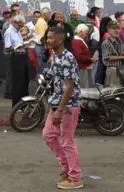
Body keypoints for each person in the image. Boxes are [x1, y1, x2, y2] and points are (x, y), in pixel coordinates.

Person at [42, 26, 83, 190]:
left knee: (67, 141)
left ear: (60, 40)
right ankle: (66, 168)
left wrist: (60, 109)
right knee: (49, 135)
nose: (47, 40)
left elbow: (69, 86)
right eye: (47, 38)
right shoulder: (54, 56)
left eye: (51, 38)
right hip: (56, 102)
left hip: (68, 105)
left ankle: (75, 177)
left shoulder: (68, 58)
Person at [72, 24, 97, 89]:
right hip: (82, 67)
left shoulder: (79, 40)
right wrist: (90, 59)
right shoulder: (77, 42)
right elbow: (79, 56)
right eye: (86, 33)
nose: (86, 35)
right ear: (80, 32)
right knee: (84, 85)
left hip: (84, 66)